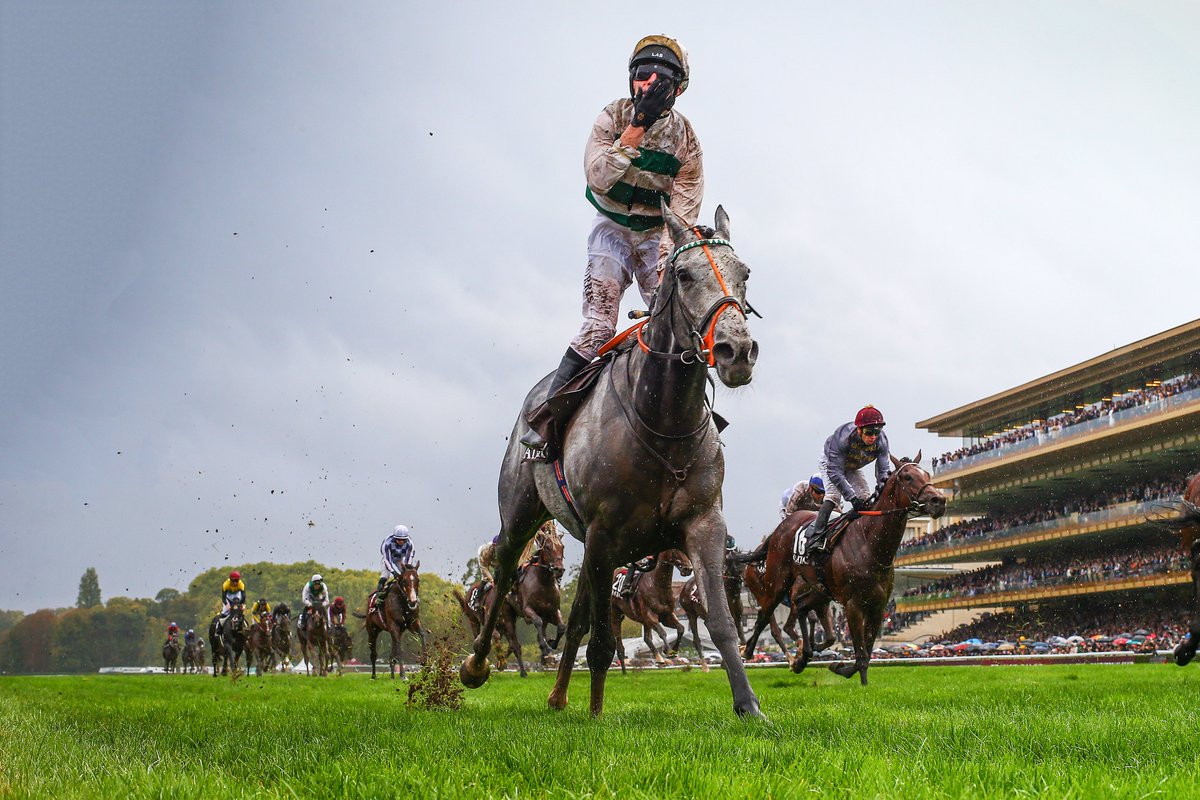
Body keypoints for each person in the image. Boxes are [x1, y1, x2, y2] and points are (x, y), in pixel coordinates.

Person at [521, 34, 703, 454]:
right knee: (599, 326)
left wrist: (664, 275)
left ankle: (691, 416)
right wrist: (637, 127)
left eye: (661, 78)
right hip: (612, 230)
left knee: (677, 316)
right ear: (631, 80)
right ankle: (548, 420)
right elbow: (598, 177)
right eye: (643, 75)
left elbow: (684, 213)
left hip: (656, 235)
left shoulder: (687, 141)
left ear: (678, 88)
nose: (650, 83)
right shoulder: (611, 117)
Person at [806, 406, 893, 560]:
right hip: (831, 464)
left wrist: (881, 490)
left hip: (853, 465)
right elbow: (835, 473)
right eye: (869, 432)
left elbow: (883, 470)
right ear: (859, 430)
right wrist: (852, 498)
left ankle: (859, 536)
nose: (873, 437)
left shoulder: (881, 441)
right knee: (833, 497)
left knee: (865, 498)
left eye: (877, 432)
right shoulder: (843, 438)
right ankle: (816, 538)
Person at [374, 525, 416, 604]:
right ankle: (378, 598)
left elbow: (409, 559)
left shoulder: (410, 544)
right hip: (388, 559)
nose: (401, 542)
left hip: (400, 559)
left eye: (403, 540)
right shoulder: (387, 543)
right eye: (398, 539)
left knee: (407, 577)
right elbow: (387, 560)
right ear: (394, 538)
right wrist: (393, 572)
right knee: (385, 576)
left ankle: (411, 595)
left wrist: (406, 570)